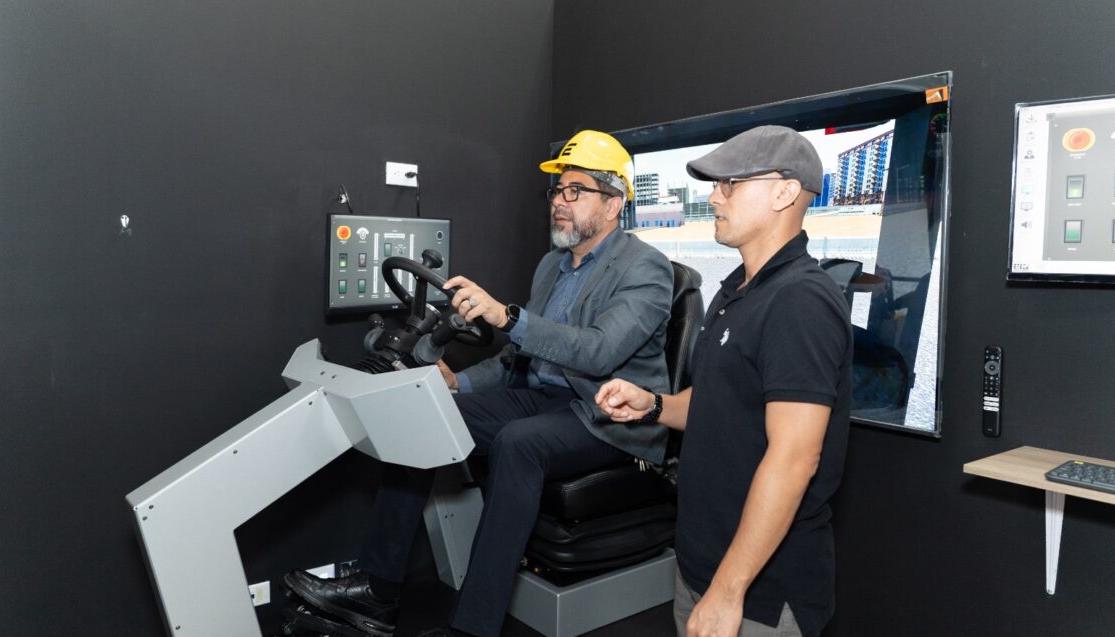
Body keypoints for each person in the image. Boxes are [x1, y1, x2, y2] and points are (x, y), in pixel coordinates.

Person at [284, 129, 674, 637]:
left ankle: (473, 626)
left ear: (614, 203)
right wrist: (455, 386)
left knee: (519, 444)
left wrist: (508, 316)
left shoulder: (647, 267)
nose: (560, 202)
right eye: (557, 191)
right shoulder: (553, 265)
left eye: (575, 191)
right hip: (542, 399)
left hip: (607, 416)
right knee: (422, 415)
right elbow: (517, 356)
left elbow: (598, 350)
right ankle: (378, 590)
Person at [595, 125, 853, 637]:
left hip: (758, 593)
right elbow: (717, 403)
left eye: (730, 183)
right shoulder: (737, 289)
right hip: (701, 562)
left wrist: (728, 590)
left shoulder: (801, 301)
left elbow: (795, 458)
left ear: (783, 191)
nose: (713, 195)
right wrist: (652, 405)